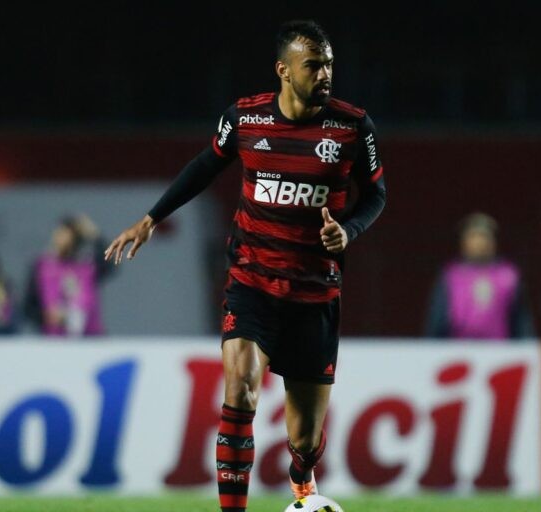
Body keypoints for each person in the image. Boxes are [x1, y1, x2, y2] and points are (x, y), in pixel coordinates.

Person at [103, 20, 386, 512]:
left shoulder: (352, 127)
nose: (324, 74)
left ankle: (302, 473)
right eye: (313, 65)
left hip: (314, 293)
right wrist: (151, 218)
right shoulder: (246, 119)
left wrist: (349, 231)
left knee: (304, 437)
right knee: (240, 390)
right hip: (251, 282)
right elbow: (204, 165)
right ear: (284, 70)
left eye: (328, 65)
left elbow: (376, 194)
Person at [425, 212, 535, 340]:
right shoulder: (451, 275)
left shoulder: (509, 274)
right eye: (473, 237)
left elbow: (521, 321)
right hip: (458, 347)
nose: (479, 243)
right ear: (464, 242)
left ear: (493, 242)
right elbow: (437, 319)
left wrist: (526, 346)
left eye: (484, 237)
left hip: (499, 348)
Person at [25, 214, 114, 336]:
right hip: (53, 339)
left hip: (90, 337)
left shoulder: (88, 265)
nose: (60, 239)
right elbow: (29, 307)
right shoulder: (42, 266)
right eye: (58, 234)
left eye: (66, 235)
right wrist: (46, 317)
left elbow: (110, 264)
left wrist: (96, 236)